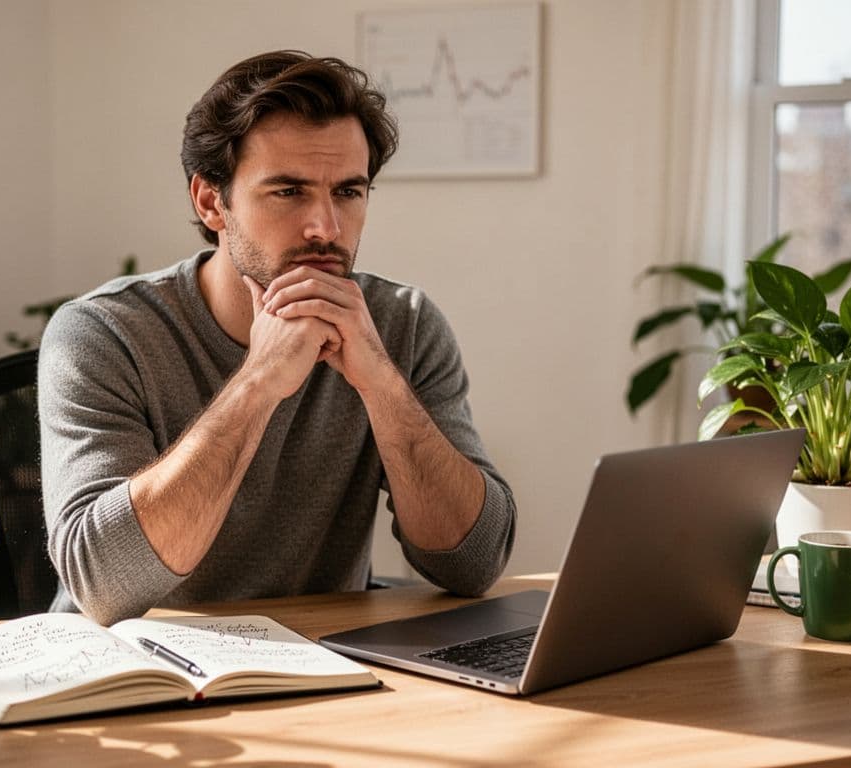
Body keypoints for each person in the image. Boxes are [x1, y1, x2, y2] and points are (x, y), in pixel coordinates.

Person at [39, 50, 515, 625]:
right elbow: (105, 587)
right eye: (288, 192)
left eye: (348, 192)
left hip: (325, 667)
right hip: (136, 680)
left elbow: (476, 564)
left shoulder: (403, 324)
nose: (326, 227)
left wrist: (382, 385)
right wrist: (258, 382)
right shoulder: (102, 333)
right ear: (211, 201)